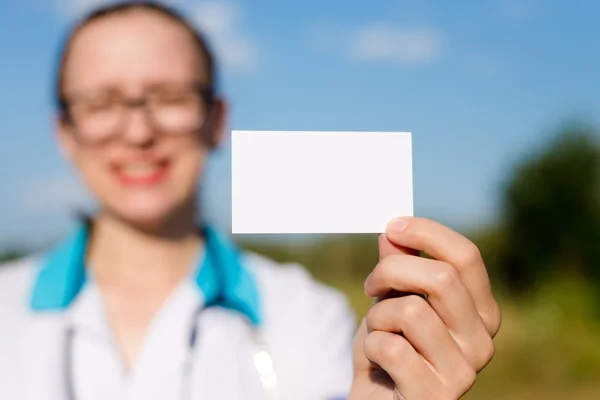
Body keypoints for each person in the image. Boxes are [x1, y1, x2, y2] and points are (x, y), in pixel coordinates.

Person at [0, 2, 501, 399]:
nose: (138, 130)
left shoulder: (309, 315)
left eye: (170, 97)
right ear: (64, 133)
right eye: (101, 104)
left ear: (216, 120)